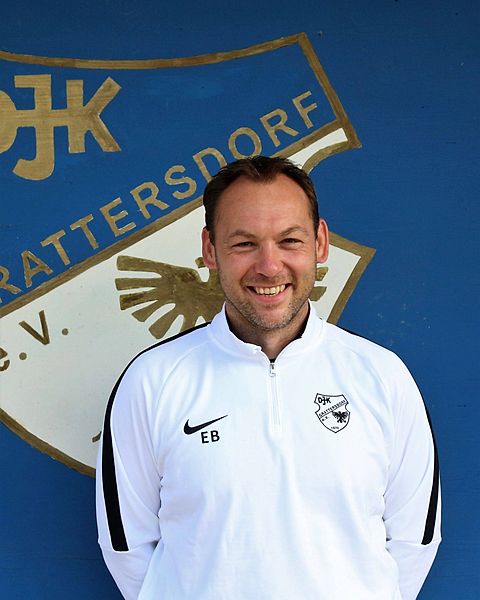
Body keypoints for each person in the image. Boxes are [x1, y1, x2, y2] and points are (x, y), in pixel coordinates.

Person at [96, 156, 441, 600]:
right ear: (209, 249)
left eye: (289, 240)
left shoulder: (383, 376)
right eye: (244, 243)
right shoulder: (152, 381)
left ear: (320, 243)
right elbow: (126, 546)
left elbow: (415, 541)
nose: (269, 266)